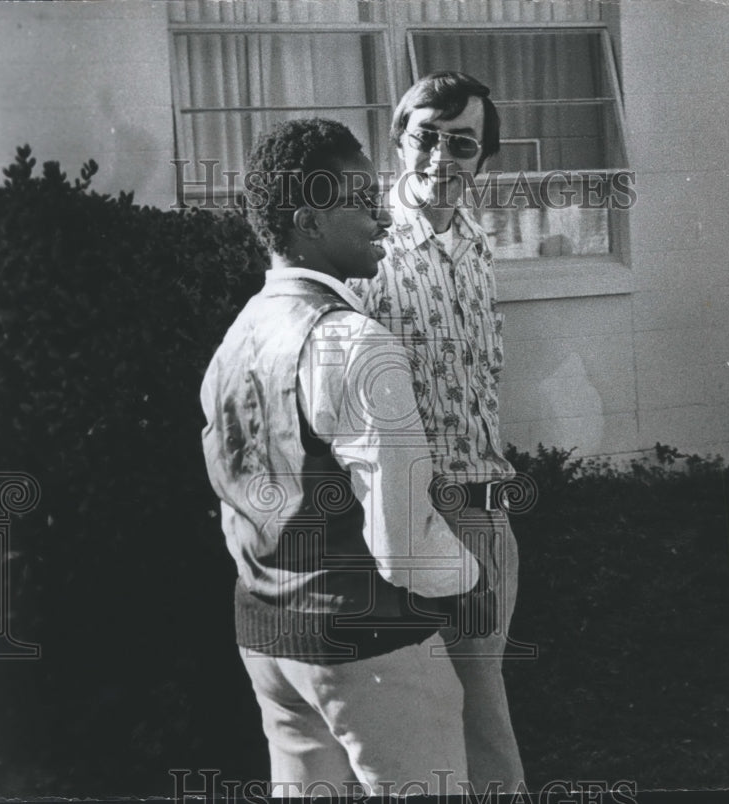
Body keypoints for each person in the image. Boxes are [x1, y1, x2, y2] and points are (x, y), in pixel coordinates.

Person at [200, 118, 489, 797]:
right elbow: (404, 549)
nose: (384, 214)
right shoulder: (354, 342)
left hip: (268, 641)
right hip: (371, 646)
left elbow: (235, 506)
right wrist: (474, 574)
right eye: (361, 199)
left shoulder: (238, 336)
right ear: (307, 221)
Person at [349, 72, 526, 793]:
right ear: (398, 141)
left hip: (490, 513)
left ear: (482, 158)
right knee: (461, 714)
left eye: (463, 144)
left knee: (467, 705)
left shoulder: (477, 244)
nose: (441, 159)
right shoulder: (367, 250)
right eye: (426, 137)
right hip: (417, 516)